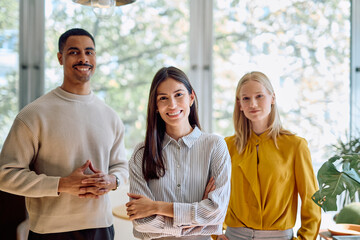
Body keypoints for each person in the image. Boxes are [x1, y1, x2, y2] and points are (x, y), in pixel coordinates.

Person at [0, 28, 128, 240]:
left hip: (102, 229)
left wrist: (113, 180)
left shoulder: (110, 116)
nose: (83, 58)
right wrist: (61, 184)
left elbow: (121, 166)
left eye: (89, 52)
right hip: (49, 231)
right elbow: (5, 174)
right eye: (74, 52)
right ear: (60, 58)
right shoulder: (33, 115)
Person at [126, 66, 231, 240]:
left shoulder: (215, 146)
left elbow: (217, 213)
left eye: (178, 95)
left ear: (191, 97)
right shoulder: (141, 153)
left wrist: (156, 207)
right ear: (156, 106)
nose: (172, 104)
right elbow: (142, 222)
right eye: (163, 98)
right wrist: (199, 223)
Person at [216, 72, 321, 240]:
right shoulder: (226, 146)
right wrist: (216, 232)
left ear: (273, 98)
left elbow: (311, 198)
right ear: (239, 104)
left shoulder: (295, 145)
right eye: (246, 98)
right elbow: (215, 194)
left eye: (259, 96)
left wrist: (305, 238)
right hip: (233, 236)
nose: (253, 104)